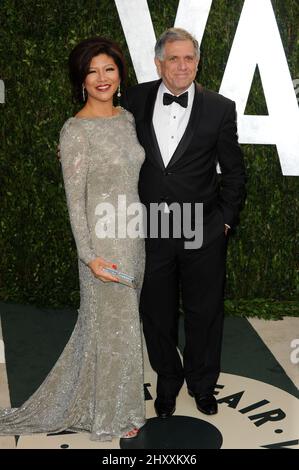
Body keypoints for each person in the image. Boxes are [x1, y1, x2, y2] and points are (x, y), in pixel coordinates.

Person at [0, 37, 146, 441]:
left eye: (109, 69)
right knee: (109, 327)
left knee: (122, 327)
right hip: (103, 248)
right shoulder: (75, 131)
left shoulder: (126, 119)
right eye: (92, 70)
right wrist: (90, 257)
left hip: (133, 240)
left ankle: (118, 403)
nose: (102, 78)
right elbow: (75, 201)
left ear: (120, 73)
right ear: (81, 79)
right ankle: (114, 416)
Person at [122, 28, 246, 418]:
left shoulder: (220, 107)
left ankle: (202, 383)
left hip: (203, 229)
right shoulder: (135, 99)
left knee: (204, 313)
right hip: (152, 228)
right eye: (173, 59)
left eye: (188, 58)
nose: (181, 66)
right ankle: (168, 381)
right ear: (159, 63)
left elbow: (235, 173)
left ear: (197, 62)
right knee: (156, 313)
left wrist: (224, 223)